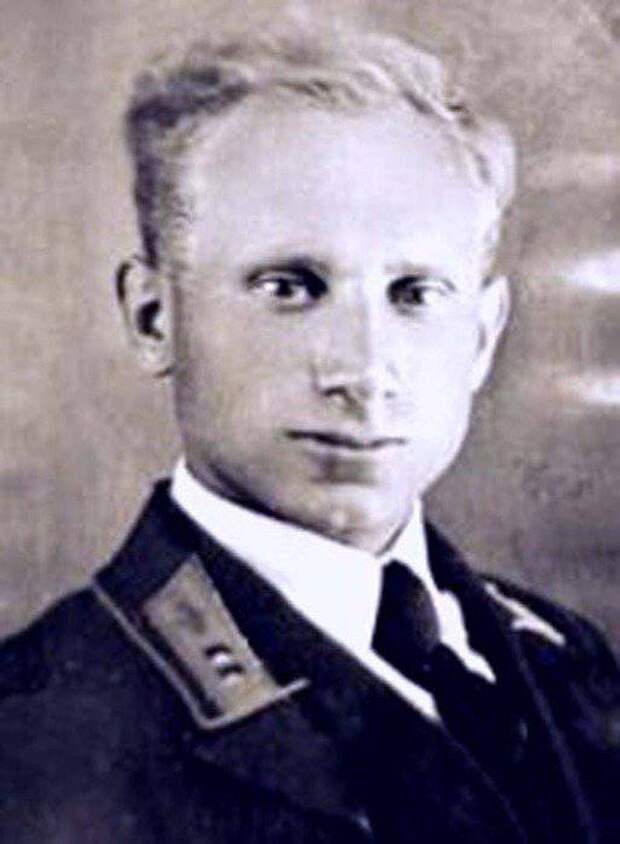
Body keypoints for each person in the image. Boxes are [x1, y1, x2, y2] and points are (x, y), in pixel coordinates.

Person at [0, 20, 619, 844]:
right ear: (154, 317)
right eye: (290, 287)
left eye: (414, 293)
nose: (362, 371)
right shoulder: (37, 737)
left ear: (481, 336)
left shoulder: (566, 661)